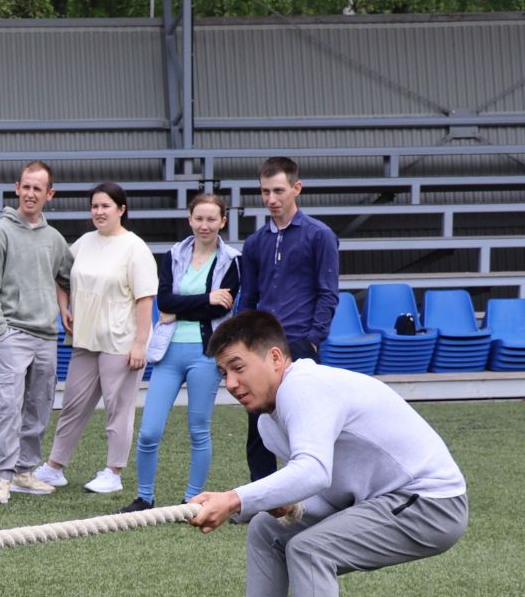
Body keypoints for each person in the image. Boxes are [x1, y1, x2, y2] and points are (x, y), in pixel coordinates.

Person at [184, 310, 467, 597]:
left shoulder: (306, 387)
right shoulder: (270, 420)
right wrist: (250, 507)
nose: (231, 384)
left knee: (310, 550)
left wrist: (234, 498)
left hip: (431, 503)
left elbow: (313, 471)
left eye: (238, 367)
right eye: (223, 373)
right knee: (268, 529)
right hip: (381, 501)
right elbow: (324, 493)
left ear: (276, 358)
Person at [121, 191, 241, 513]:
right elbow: (165, 302)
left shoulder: (232, 261)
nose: (204, 225)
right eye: (199, 218)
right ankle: (144, 498)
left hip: (206, 355)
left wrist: (183, 306)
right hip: (169, 353)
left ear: (223, 222)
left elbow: (220, 309)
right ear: (189, 219)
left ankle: (191, 501)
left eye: (211, 219)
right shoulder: (173, 255)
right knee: (149, 432)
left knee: (198, 430)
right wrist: (204, 300)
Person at [36, 182, 157, 496]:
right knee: (73, 405)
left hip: (121, 341)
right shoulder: (85, 243)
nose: (99, 212)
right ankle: (54, 467)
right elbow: (62, 276)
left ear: (121, 209)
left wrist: (140, 344)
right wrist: (64, 309)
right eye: (95, 206)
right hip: (85, 339)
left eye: (106, 206)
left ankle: (113, 472)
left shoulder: (135, 248)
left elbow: (146, 299)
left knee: (119, 408)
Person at [237, 158, 340, 485]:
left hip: (299, 342)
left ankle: (315, 495)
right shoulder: (254, 243)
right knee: (258, 427)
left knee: (308, 424)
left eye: (278, 190)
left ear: (296, 188)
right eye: (265, 191)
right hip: (261, 344)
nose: (271, 199)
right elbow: (248, 296)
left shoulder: (320, 235)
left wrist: (312, 339)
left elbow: (328, 293)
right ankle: (261, 500)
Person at [0, 161, 72, 505]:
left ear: (50, 194)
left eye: (38, 189)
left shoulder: (54, 239)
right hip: (13, 334)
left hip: (47, 336)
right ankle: (2, 477)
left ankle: (23, 472)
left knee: (38, 406)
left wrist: (62, 309)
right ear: (17, 188)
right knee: (8, 405)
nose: (31, 194)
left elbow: (68, 277)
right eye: (26, 187)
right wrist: (0, 331)